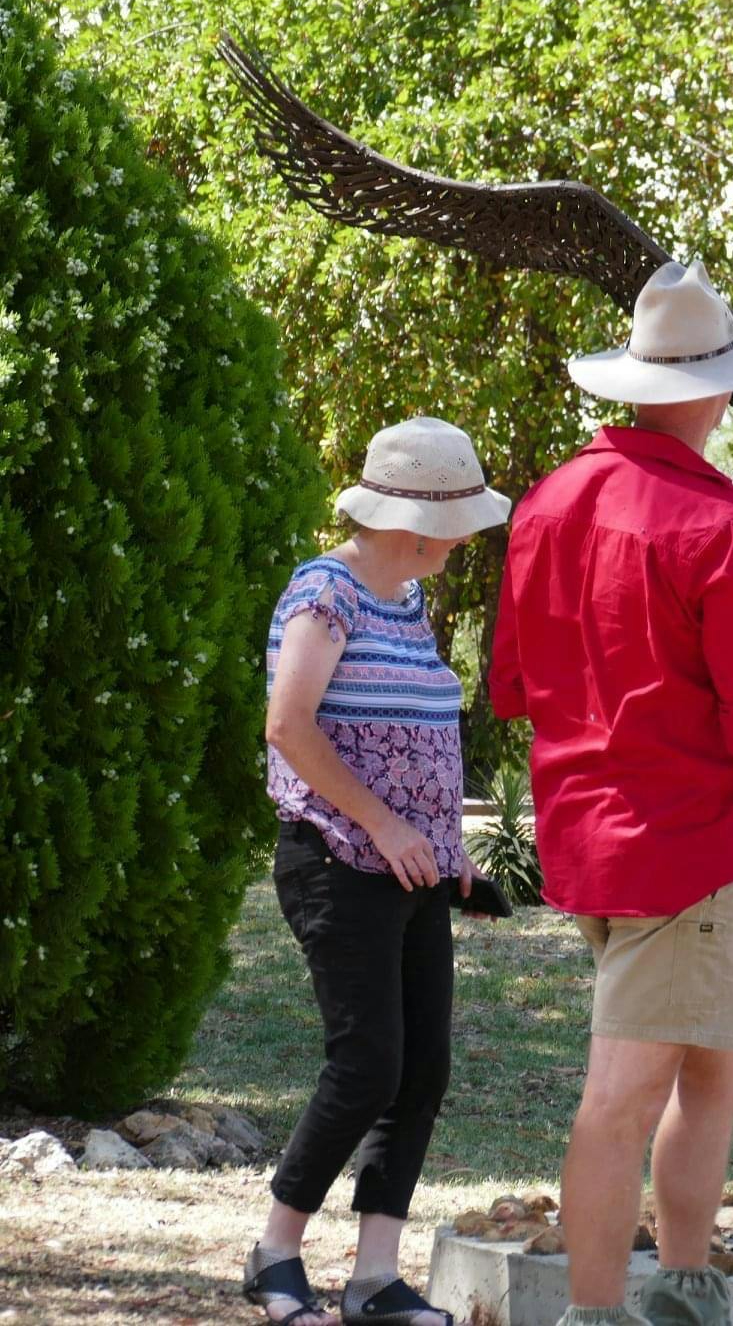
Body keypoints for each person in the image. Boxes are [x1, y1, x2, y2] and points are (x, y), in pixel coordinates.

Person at [490, 261, 733, 1326]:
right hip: (688, 844)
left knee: (722, 1057)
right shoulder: (720, 523)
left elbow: (513, 686)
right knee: (625, 1094)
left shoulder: (549, 501)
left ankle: (685, 1287)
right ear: (720, 390)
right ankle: (597, 1314)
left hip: (590, 833)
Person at [251, 417, 511, 1326]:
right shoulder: (326, 593)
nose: (467, 538)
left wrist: (445, 844)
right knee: (366, 1065)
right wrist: (386, 823)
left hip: (411, 869)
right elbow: (289, 727)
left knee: (421, 1069)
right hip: (336, 860)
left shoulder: (407, 599)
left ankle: (373, 1279)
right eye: (459, 521)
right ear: (419, 523)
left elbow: (412, 732)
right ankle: (275, 1252)